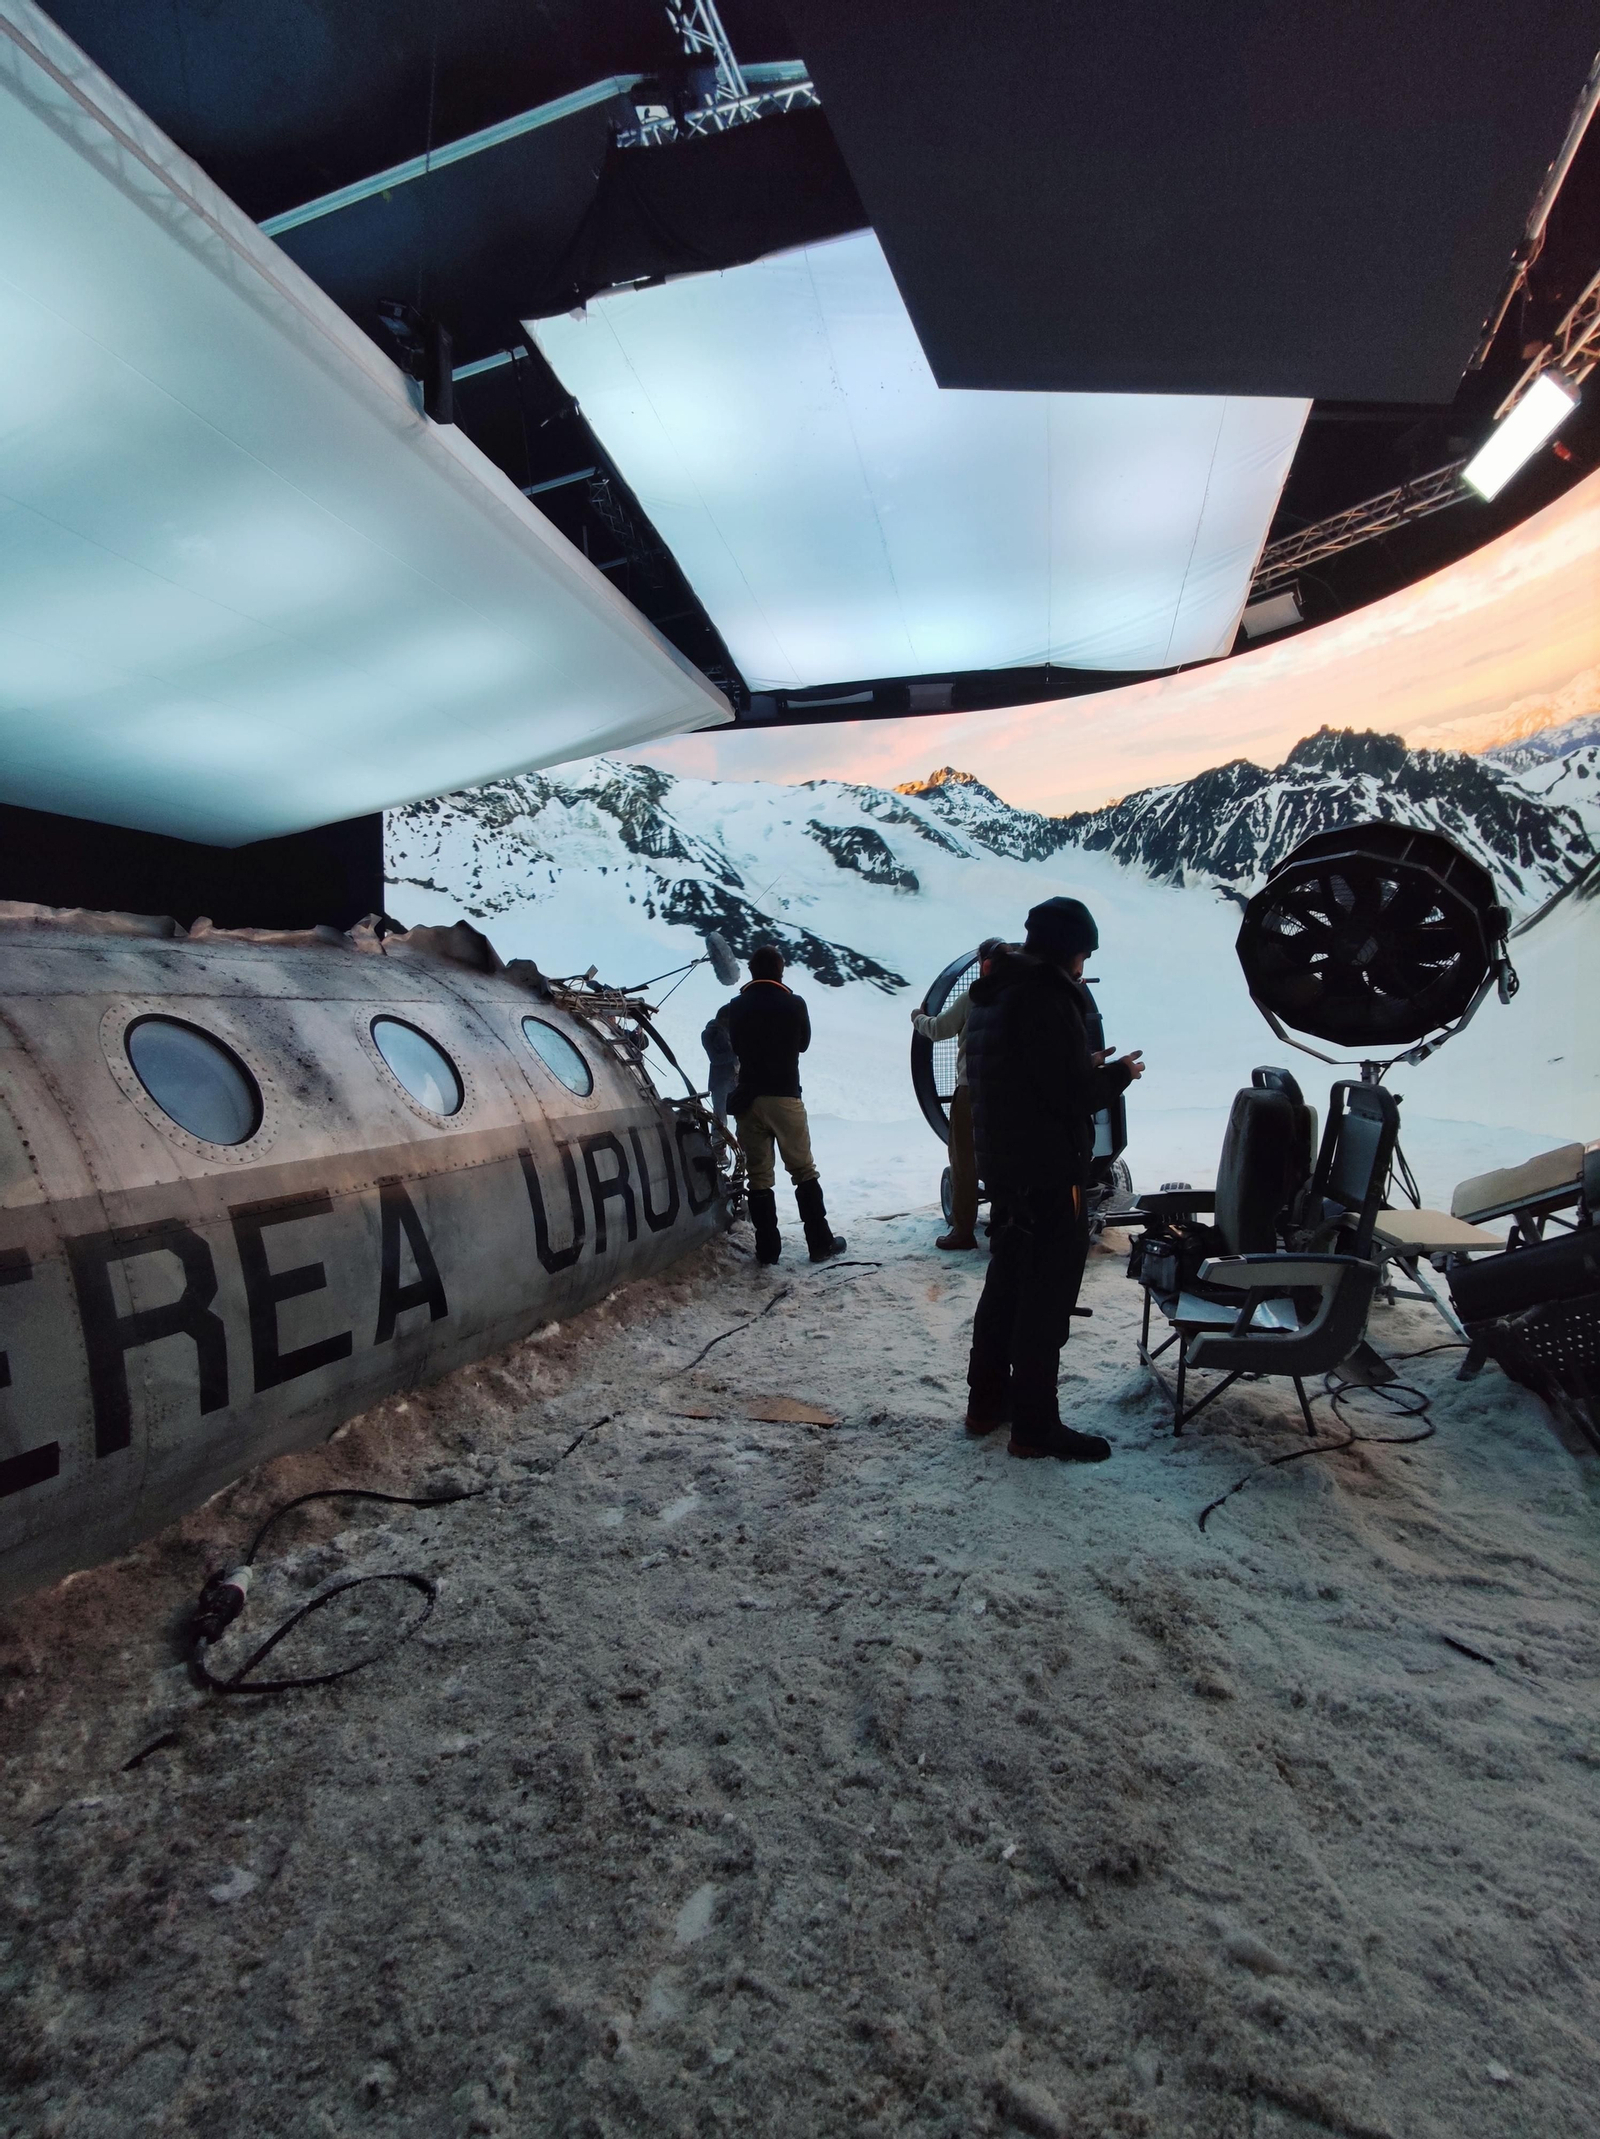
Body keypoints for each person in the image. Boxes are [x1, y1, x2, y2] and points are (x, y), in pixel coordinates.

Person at [964, 896, 1145, 1461]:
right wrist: (1117, 1074)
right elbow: (1068, 1096)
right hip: (1048, 1172)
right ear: (1072, 950)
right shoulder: (1048, 995)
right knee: (1046, 1297)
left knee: (1005, 1287)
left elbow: (1025, 1075)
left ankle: (987, 1403)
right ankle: (1036, 1427)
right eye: (1084, 954)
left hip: (1006, 1167)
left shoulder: (999, 993)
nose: (1084, 965)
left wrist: (1081, 1062)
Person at [724, 944, 847, 1265]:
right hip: (785, 1097)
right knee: (804, 1171)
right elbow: (803, 1044)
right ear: (780, 971)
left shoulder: (736, 1006)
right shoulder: (794, 1004)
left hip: (748, 1100)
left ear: (751, 971)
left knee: (760, 1177)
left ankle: (767, 1250)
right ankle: (820, 1243)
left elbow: (734, 1044)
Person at [911, 937, 1002, 1250]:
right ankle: (1007, 1225)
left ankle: (963, 1232)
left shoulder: (975, 996)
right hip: (1014, 1092)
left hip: (972, 1089)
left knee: (964, 1161)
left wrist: (917, 1017)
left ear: (984, 964)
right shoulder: (1026, 995)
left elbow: (938, 1029)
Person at [701, 1003, 737, 1126]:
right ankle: (718, 1144)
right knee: (720, 1120)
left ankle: (743, 1144)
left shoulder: (732, 1031)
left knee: (743, 1116)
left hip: (736, 1079)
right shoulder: (710, 1033)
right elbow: (715, 1059)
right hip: (720, 1082)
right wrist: (737, 1052)